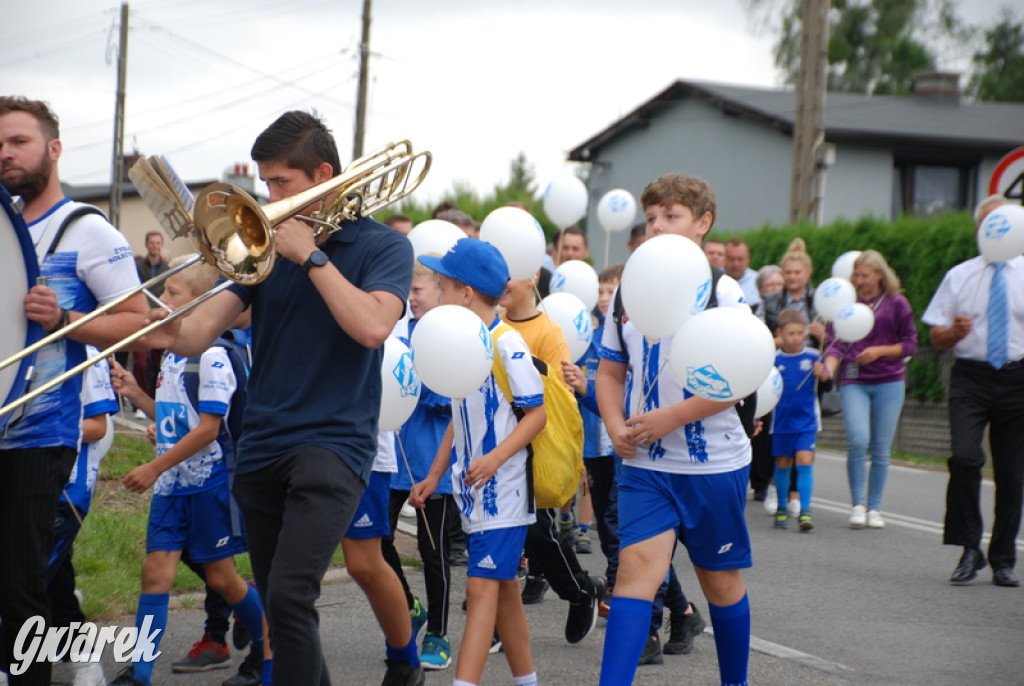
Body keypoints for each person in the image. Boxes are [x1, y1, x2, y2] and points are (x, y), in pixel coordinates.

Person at [141, 110, 415, 683]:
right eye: (265, 184)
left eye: (281, 184)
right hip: (263, 445)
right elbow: (191, 336)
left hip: (333, 443)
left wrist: (310, 256)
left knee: (291, 596)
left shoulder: (383, 247)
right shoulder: (262, 257)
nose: (268, 198)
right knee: (282, 608)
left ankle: (405, 663)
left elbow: (371, 328)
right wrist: (122, 312)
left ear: (323, 174)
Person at [0, 96, 148, 686]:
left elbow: (138, 319)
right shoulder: (4, 230)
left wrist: (63, 318)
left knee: (20, 586)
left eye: (19, 141)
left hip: (40, 435)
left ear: (53, 149)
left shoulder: (87, 230)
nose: (6, 154)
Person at [596, 173, 752, 686]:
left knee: (720, 582)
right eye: (652, 218)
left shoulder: (724, 295)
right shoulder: (625, 295)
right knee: (636, 572)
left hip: (713, 465)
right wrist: (616, 424)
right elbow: (610, 371)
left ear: (703, 224)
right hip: (646, 466)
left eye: (672, 216)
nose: (658, 227)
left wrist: (672, 417)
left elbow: (738, 382)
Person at [108, 256, 266, 686]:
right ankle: (140, 674)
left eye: (173, 293)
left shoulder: (213, 355)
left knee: (222, 578)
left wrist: (153, 466)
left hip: (209, 484)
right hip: (172, 485)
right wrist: (137, 394)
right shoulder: (174, 355)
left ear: (203, 304)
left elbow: (209, 431)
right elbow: (178, 419)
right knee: (155, 572)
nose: (163, 300)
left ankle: (268, 643)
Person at [411, 237, 543, 686]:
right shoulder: (461, 343)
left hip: (504, 492)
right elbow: (457, 416)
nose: (439, 295)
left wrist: (493, 459)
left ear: (466, 293)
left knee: (480, 588)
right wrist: (433, 475)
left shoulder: (508, 345)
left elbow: (537, 415)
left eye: (444, 287)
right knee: (503, 591)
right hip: (472, 490)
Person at [498, 270, 605, 644]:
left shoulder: (548, 332)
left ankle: (579, 591)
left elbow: (560, 398)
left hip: (533, 447)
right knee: (504, 532)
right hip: (497, 446)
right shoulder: (493, 324)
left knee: (538, 533)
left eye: (513, 273)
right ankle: (495, 619)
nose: (504, 282)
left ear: (533, 277)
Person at [922, 195, 1023, 588]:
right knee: (965, 458)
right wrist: (953, 332)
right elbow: (936, 334)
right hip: (971, 378)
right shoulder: (960, 275)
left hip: (1017, 378)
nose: (993, 231)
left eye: (999, 223)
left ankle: (1003, 558)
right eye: (985, 225)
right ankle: (969, 548)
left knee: (1012, 473)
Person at [385, 259, 456, 670]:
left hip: (433, 465)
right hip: (391, 458)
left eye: (418, 290)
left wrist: (422, 388)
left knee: (434, 554)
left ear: (438, 291)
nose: (410, 298)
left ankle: (438, 634)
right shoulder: (398, 334)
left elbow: (453, 395)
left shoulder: (448, 336)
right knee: (377, 541)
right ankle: (409, 605)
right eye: (407, 291)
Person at [821, 250, 918, 529]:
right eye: (856, 275)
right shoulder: (845, 304)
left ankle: (875, 507)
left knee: (881, 447)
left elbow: (910, 344)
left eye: (864, 275)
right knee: (858, 439)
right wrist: (828, 368)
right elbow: (835, 343)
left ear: (879, 274)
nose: (859, 280)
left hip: (889, 381)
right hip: (855, 381)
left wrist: (879, 352)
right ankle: (858, 504)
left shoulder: (897, 303)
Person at [45, 349, 117, 685]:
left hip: (66, 490)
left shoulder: (86, 353)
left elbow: (98, 426)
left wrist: (38, 426)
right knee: (52, 582)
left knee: (27, 580)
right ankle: (84, 658)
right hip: (20, 484)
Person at [340, 430, 424, 684]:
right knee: (287, 569)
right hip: (292, 449)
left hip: (359, 453)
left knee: (363, 565)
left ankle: (405, 664)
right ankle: (265, 660)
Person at [761, 239, 823, 519]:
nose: (793, 277)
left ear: (807, 274)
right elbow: (759, 336)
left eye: (798, 272)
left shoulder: (817, 301)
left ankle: (802, 502)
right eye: (788, 272)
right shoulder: (771, 301)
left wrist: (822, 340)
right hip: (779, 386)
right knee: (783, 456)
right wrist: (776, 341)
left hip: (807, 379)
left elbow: (832, 339)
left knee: (804, 454)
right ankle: (780, 493)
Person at [771, 309, 829, 532]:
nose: (796, 337)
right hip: (781, 421)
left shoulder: (814, 356)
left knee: (805, 460)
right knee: (783, 463)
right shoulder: (774, 359)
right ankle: (782, 506)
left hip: (806, 421)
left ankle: (805, 510)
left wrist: (822, 374)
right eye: (790, 333)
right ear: (780, 334)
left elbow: (827, 385)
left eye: (800, 332)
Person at [750, 264, 785, 510]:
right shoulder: (756, 312)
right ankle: (761, 481)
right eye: (769, 286)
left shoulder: (794, 305)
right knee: (762, 431)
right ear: (761, 289)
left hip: (790, 373)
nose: (774, 290)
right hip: (764, 373)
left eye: (778, 285)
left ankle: (781, 482)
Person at [725, 238, 762, 312]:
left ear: (748, 259)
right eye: (732, 259)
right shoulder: (715, 279)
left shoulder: (759, 280)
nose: (736, 264)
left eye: (740, 259)